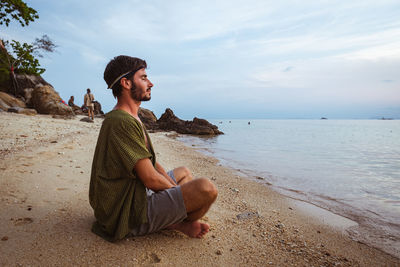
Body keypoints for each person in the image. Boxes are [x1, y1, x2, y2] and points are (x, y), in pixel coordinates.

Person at [89, 55, 217, 242]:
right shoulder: (121, 122)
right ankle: (175, 222)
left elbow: (152, 165)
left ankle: (172, 220)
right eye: (143, 78)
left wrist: (176, 193)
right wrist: (177, 194)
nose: (151, 83)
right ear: (125, 83)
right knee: (206, 189)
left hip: (134, 193)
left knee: (184, 173)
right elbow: (150, 179)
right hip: (123, 212)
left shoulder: (132, 117)